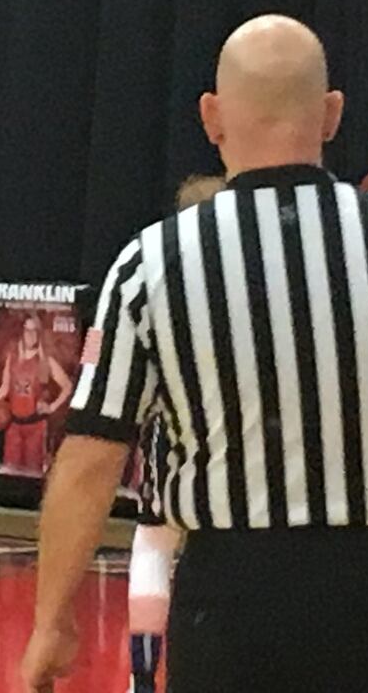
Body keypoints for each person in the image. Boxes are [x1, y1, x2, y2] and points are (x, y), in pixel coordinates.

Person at [22, 15, 368, 693]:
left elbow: (89, 459)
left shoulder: (152, 262)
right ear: (332, 115)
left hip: (231, 606)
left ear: (211, 116)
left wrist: (52, 620)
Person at [123, 173, 224, 693]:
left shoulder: (153, 278)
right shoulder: (251, 280)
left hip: (172, 436)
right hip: (236, 447)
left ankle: (142, 676)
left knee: (153, 547)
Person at [0, 314, 71, 476]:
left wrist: (51, 407)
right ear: (22, 332)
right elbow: (5, 388)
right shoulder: (12, 358)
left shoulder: (45, 361)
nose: (31, 335)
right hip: (14, 426)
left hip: (36, 427)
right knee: (10, 473)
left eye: (35, 331)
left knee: (32, 476)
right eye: (27, 330)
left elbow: (67, 386)